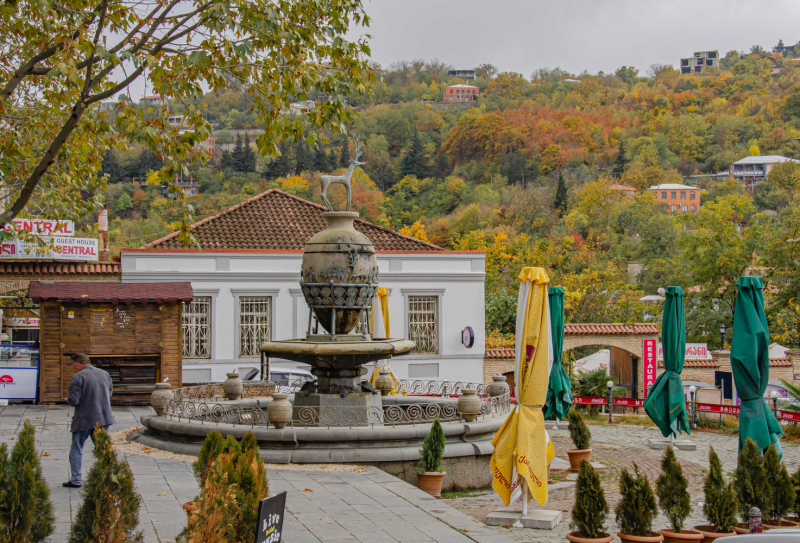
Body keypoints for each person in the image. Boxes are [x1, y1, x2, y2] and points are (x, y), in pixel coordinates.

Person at [63, 353, 114, 488]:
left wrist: (67, 400)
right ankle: (107, 477)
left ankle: (76, 480)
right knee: (103, 449)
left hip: (84, 419)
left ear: (78, 364)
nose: (74, 368)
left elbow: (74, 401)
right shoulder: (104, 374)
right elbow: (109, 394)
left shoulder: (78, 377)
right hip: (103, 418)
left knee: (77, 447)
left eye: (74, 365)